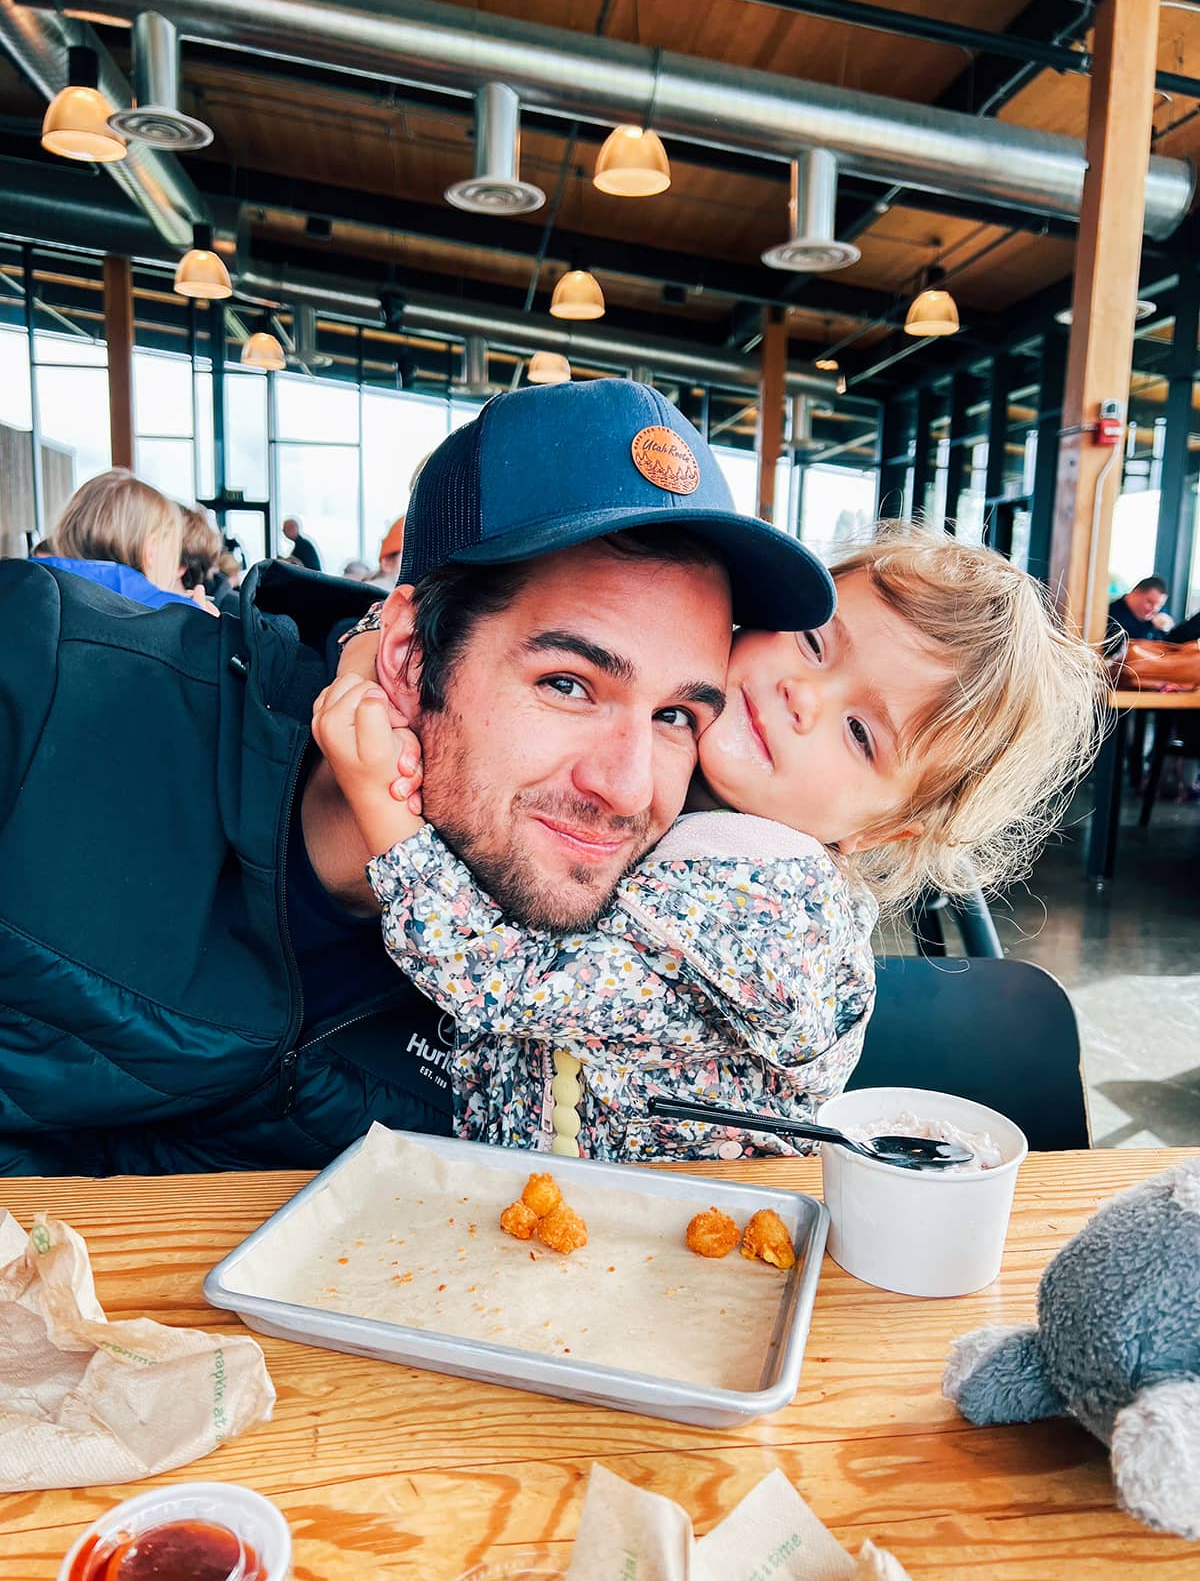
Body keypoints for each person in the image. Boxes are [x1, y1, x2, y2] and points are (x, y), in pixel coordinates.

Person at [0, 378, 831, 1176]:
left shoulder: (622, 956)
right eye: (568, 684)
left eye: (676, 716)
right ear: (406, 656)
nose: (628, 788)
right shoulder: (44, 683)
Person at [313, 524, 1105, 1162]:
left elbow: (505, 983)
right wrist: (371, 652)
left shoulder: (772, 902)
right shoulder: (689, 797)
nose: (803, 696)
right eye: (816, 643)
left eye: (861, 733)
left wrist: (383, 802)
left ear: (881, 829)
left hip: (676, 1245)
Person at [37, 468, 211, 612]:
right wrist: (205, 627)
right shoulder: (177, 617)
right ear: (151, 550)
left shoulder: (22, 586)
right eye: (172, 551)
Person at [1107, 574, 1173, 644]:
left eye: (1159, 606)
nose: (1154, 609)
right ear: (1135, 594)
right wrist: (1149, 626)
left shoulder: (1159, 615)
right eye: (1150, 602)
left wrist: (1166, 629)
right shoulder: (1111, 614)